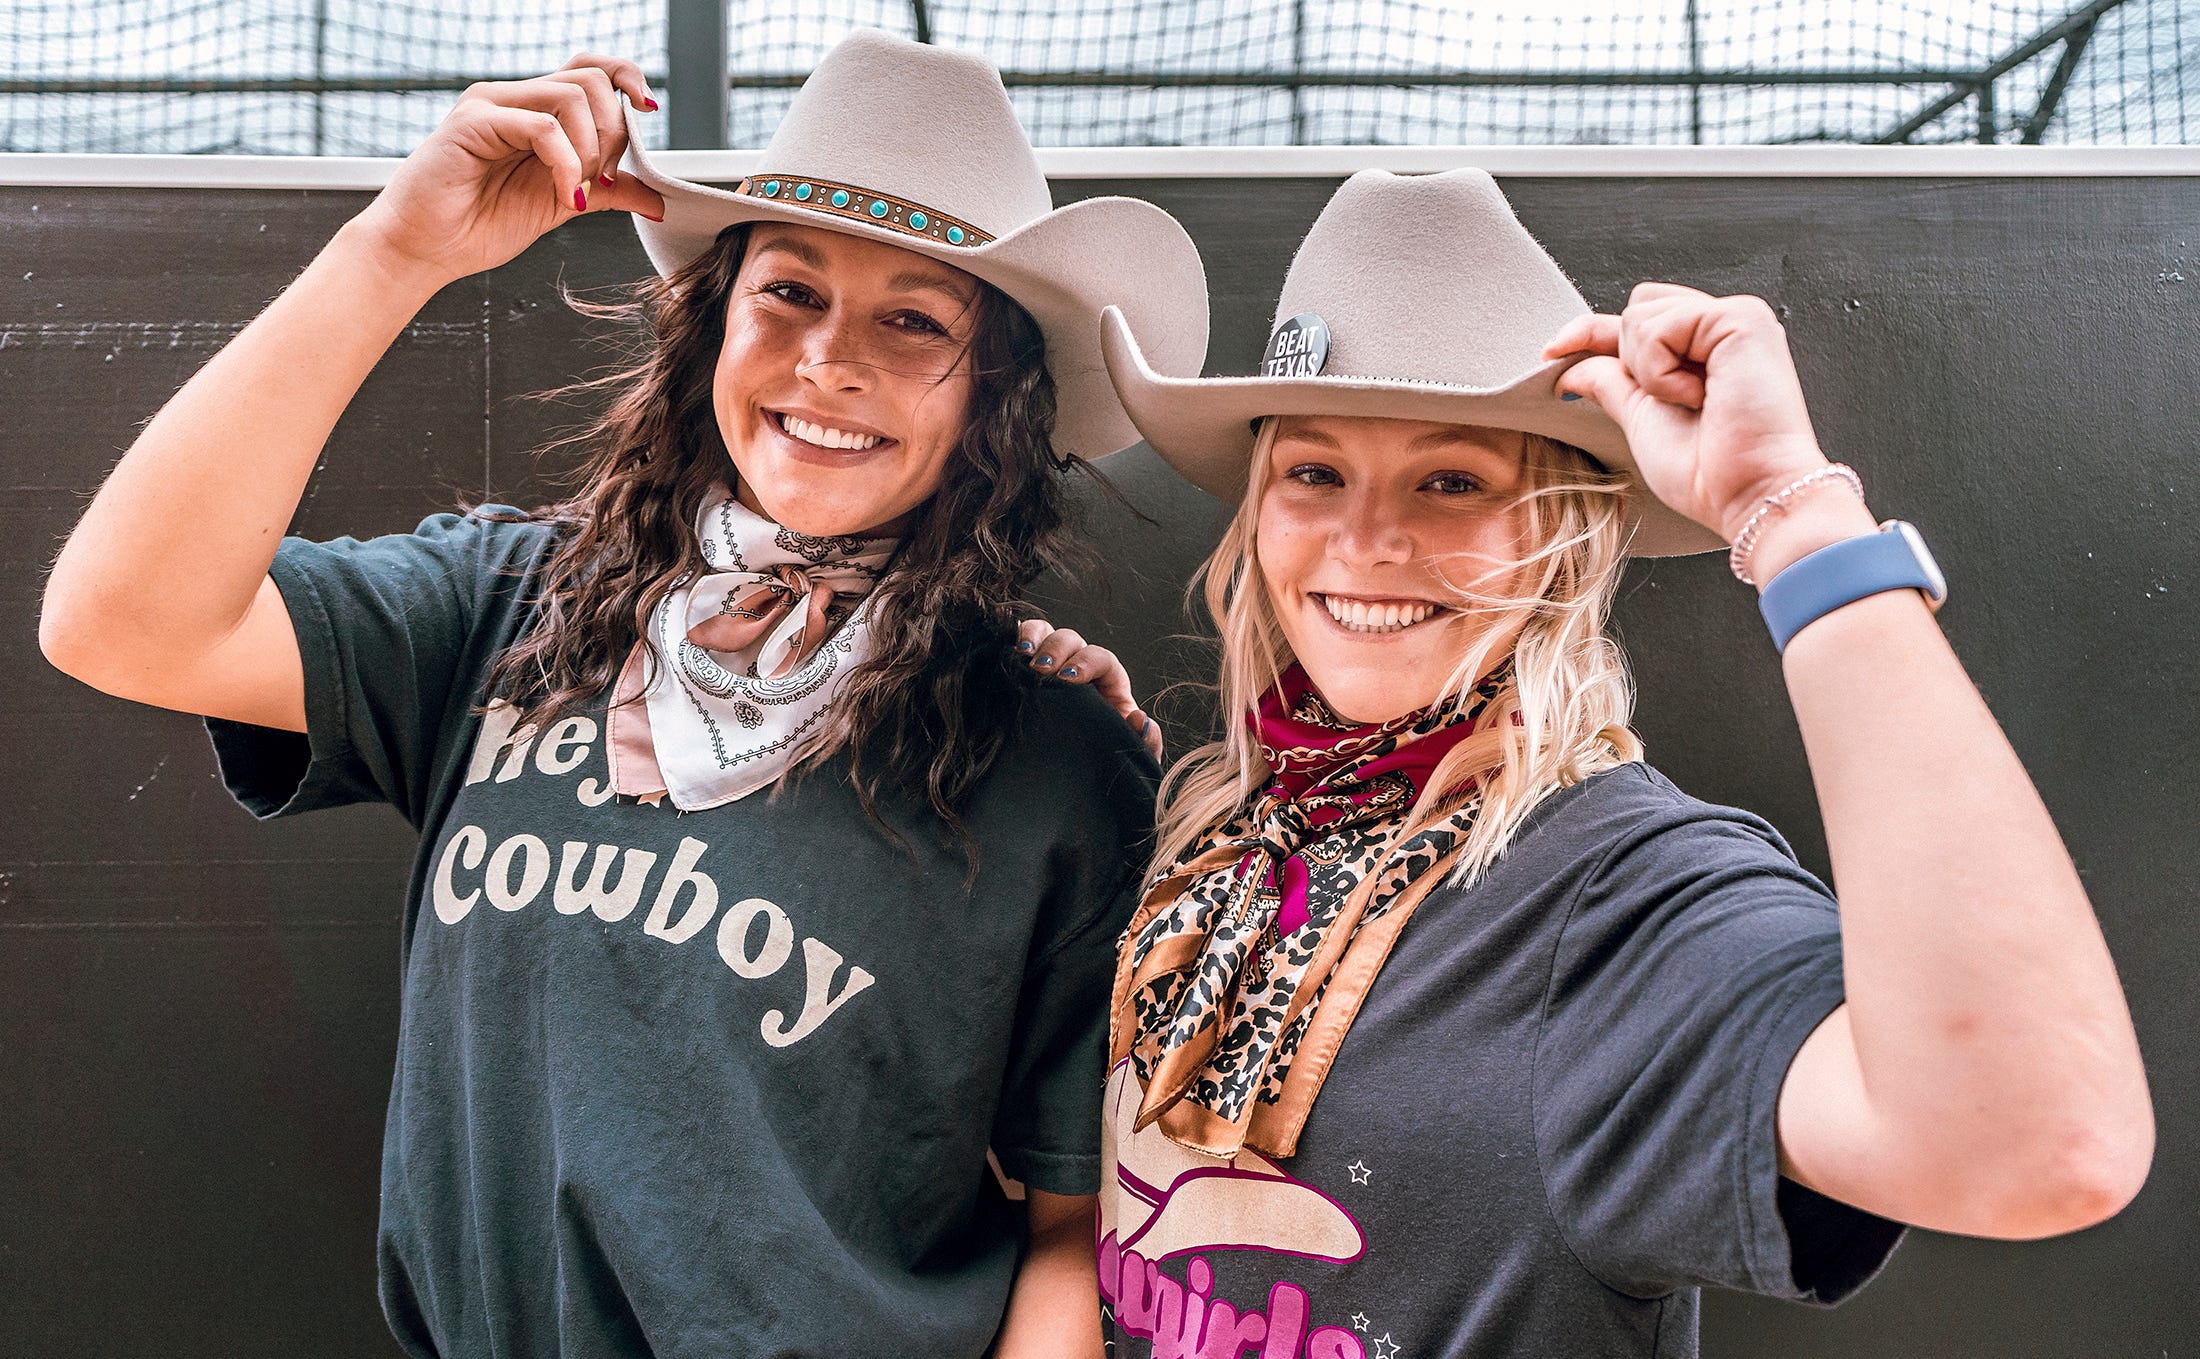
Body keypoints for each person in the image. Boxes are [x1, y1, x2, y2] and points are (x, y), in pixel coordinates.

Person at [38, 30, 1205, 1359]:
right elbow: (118, 621)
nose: (829, 359)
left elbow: (1070, 1223)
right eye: (789, 292)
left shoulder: (1057, 751)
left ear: (995, 392)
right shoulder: (503, 605)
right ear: (715, 324)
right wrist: (396, 250)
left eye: (913, 319)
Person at [1073, 168, 2153, 1358]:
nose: (1368, 539)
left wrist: (1792, 522)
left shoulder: (1620, 895)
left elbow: (2038, 1144)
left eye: (1452, 481)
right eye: (1313, 472)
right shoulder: (1218, 830)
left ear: (1561, 541)